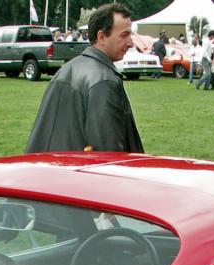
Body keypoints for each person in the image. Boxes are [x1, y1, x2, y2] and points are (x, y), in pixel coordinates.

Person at [25, 2, 142, 154]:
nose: (130, 43)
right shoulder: (104, 80)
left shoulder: (67, 69)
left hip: (50, 170)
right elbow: (108, 152)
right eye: (124, 35)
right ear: (101, 37)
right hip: (79, 173)